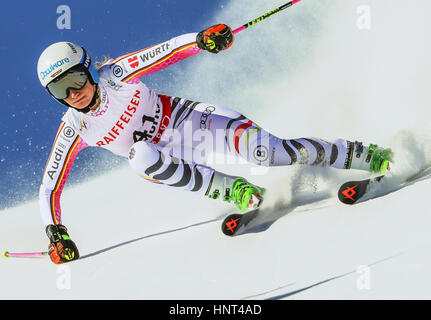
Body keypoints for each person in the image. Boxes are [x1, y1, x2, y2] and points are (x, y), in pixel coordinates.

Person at [37, 24, 393, 264]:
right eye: (60, 90)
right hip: (168, 158)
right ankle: (236, 191)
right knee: (139, 156)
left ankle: (366, 155)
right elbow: (50, 188)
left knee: (270, 153)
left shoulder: (115, 75)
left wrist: (201, 40)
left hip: (191, 123)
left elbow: (163, 52)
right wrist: (57, 233)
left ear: (87, 69)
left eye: (76, 78)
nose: (74, 93)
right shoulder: (75, 129)